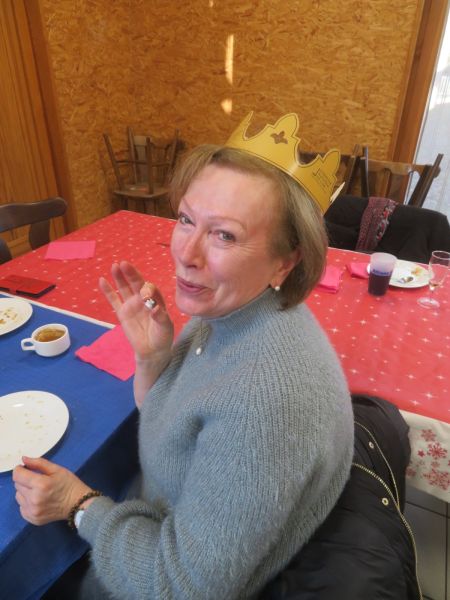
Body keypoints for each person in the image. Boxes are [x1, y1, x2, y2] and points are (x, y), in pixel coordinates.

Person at [13, 113, 354, 599]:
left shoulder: (265, 399)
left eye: (225, 235)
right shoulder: (237, 307)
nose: (185, 254)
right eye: (186, 220)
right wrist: (153, 358)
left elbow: (178, 586)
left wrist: (78, 506)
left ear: (287, 260)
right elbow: (173, 425)